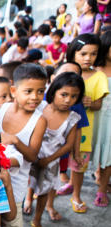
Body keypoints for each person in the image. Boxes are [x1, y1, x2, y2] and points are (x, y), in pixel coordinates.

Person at [0, 63, 48, 227]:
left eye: (40, 91)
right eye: (28, 91)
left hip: (15, 186)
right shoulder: (3, 108)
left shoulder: (40, 120)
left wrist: (16, 140)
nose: (35, 97)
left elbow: (33, 156)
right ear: (14, 90)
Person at [27, 73, 83, 227]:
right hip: (31, 154)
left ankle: (37, 219)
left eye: (74, 96)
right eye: (64, 95)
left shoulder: (72, 118)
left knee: (44, 189)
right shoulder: (39, 107)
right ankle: (29, 199)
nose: (68, 100)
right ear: (53, 92)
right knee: (30, 181)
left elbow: (68, 145)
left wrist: (49, 159)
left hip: (51, 161)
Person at [62, 34, 108, 213]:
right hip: (63, 128)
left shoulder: (99, 77)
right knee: (66, 161)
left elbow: (99, 105)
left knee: (79, 163)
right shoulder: (67, 72)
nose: (88, 58)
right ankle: (71, 185)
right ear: (73, 53)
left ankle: (76, 195)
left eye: (93, 54)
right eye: (83, 54)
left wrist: (91, 103)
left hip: (84, 130)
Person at [92, 31, 111, 205]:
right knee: (86, 153)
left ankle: (102, 189)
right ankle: (75, 187)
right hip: (94, 119)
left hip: (110, 121)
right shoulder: (94, 70)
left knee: (108, 155)